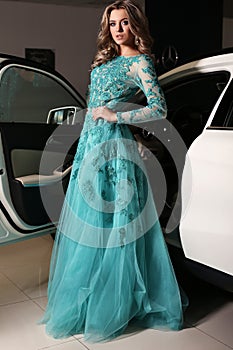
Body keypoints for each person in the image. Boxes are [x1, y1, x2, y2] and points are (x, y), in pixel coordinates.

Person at [39, 0, 187, 343]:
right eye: (113, 23)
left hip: (112, 148)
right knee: (89, 222)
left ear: (135, 25)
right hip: (91, 144)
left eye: (124, 23)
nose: (118, 29)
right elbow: (95, 107)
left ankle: (116, 304)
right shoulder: (106, 60)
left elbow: (159, 107)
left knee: (114, 224)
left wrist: (117, 118)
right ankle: (90, 302)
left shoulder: (141, 62)